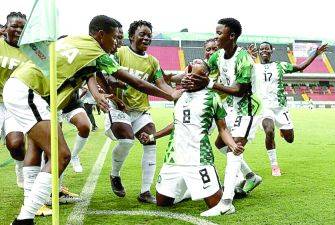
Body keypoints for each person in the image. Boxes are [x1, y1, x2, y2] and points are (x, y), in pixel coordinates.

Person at [7, 15, 180, 225]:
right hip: (29, 90)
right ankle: (24, 219)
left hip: (25, 88)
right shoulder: (98, 53)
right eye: (115, 37)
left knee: (37, 147)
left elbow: (87, 72)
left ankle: (28, 211)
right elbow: (137, 83)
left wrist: (98, 94)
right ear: (100, 35)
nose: (117, 42)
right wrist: (171, 95)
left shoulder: (75, 40)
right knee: (61, 155)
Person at [185, 18, 262, 216]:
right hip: (230, 108)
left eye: (220, 33)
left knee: (233, 151)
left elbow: (239, 90)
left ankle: (226, 202)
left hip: (247, 108)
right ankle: (250, 176)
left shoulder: (244, 58)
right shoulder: (218, 55)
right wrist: (178, 78)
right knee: (221, 144)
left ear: (232, 36)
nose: (217, 36)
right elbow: (203, 72)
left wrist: (209, 84)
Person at [154, 59, 243, 214]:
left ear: (205, 77)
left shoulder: (212, 97)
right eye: (189, 73)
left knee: (215, 205)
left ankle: (225, 196)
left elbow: (222, 128)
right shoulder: (178, 95)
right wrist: (153, 136)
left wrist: (233, 145)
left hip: (199, 157)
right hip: (173, 156)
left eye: (196, 76)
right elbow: (177, 123)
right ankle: (189, 187)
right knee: (162, 203)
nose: (190, 78)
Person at [106, 20, 177, 204]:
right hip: (118, 107)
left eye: (149, 35)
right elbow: (106, 75)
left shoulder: (153, 62)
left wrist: (176, 94)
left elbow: (161, 84)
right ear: (131, 36)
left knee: (151, 143)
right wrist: (113, 96)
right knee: (127, 140)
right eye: (142, 34)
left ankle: (145, 192)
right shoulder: (119, 53)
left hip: (141, 111)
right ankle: (115, 174)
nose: (146, 37)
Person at [254, 41, 327, 176]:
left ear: (271, 51)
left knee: (290, 139)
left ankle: (283, 129)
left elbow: (300, 66)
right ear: (259, 52)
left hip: (280, 107)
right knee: (269, 131)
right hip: (264, 107)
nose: (264, 51)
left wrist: (315, 53)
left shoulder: (280, 66)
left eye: (267, 49)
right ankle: (274, 165)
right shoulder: (253, 67)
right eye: (261, 49)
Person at [0, 12, 28, 188]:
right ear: (5, 29)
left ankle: (20, 167)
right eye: (14, 26)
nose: (18, 30)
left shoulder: (31, 53)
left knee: (16, 143)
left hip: (14, 105)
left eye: (22, 27)